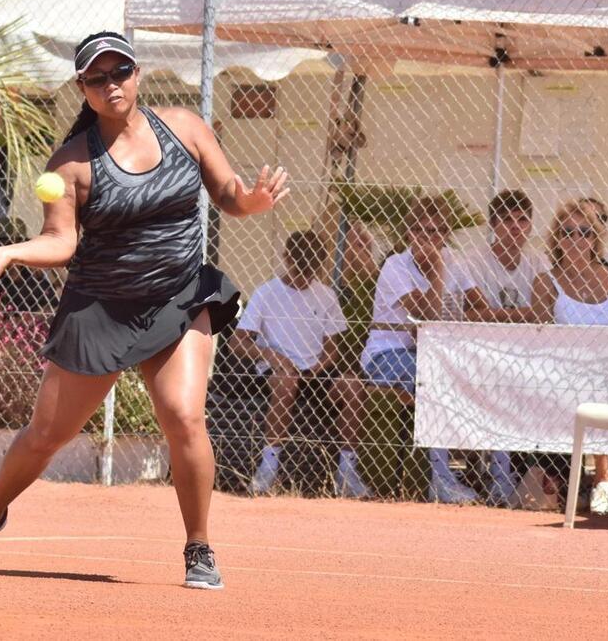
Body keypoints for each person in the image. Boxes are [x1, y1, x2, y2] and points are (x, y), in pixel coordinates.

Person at [0, 31, 289, 590]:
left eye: (119, 72)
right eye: (97, 78)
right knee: (45, 437)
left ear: (137, 73)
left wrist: (252, 202)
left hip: (178, 295)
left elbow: (227, 194)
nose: (111, 84)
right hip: (99, 308)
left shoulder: (187, 128)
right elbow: (61, 242)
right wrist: (10, 253)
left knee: (184, 416)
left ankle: (199, 547)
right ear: (83, 89)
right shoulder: (72, 165)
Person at [360, 195, 491, 504]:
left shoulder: (455, 261)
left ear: (445, 234)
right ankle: (441, 479)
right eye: (420, 231)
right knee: (432, 380)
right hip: (386, 356)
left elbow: (481, 308)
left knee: (479, 378)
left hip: (433, 355)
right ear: (410, 233)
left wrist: (457, 315)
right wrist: (438, 272)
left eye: (435, 232)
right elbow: (427, 315)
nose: (428, 238)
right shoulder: (396, 266)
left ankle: (496, 476)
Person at [231, 230, 371, 499]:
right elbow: (237, 343)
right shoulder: (267, 292)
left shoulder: (326, 295)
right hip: (278, 370)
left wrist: (319, 365)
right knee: (287, 381)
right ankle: (268, 468)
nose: (303, 277)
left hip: (315, 371)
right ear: (286, 258)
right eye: (299, 268)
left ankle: (347, 473)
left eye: (310, 271)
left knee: (353, 386)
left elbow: (333, 348)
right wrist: (272, 356)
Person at [459, 190, 550, 506]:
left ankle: (531, 476)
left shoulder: (538, 261)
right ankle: (498, 475)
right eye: (507, 221)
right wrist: (523, 314)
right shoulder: (473, 260)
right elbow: (471, 314)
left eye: (522, 220)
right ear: (494, 225)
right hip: (483, 350)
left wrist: (497, 314)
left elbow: (544, 313)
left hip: (528, 352)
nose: (515, 228)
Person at [532, 200, 608, 515]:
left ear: (595, 239)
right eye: (568, 233)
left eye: (584, 232)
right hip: (563, 373)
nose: (576, 240)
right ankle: (596, 480)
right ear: (557, 239)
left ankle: (602, 477)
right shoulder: (546, 281)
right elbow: (540, 339)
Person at [0, 216, 57, 313]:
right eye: (7, 244)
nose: (12, 248)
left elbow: (57, 290)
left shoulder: (32, 271)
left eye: (17, 243)